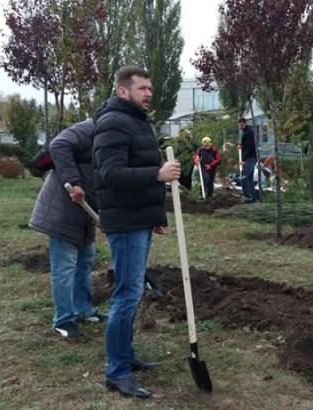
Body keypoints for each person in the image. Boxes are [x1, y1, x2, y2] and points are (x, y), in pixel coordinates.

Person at [93, 66, 181, 399]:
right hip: (125, 223)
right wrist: (158, 174)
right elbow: (111, 173)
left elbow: (135, 170)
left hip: (138, 219)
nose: (148, 94)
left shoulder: (135, 121)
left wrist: (154, 215)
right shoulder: (113, 122)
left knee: (132, 291)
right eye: (142, 88)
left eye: (149, 89)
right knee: (127, 294)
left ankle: (126, 357)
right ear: (122, 91)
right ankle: (116, 372)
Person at [29, 119, 107, 339]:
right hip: (63, 208)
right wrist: (75, 182)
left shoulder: (115, 139)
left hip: (85, 212)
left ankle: (84, 309)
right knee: (65, 267)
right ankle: (63, 320)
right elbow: (58, 145)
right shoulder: (91, 127)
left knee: (85, 262)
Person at [237, 117, 258, 202]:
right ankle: (252, 197)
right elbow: (245, 145)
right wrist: (241, 145)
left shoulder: (248, 132)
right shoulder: (246, 132)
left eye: (241, 124)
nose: (240, 126)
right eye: (239, 125)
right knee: (249, 178)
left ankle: (248, 197)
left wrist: (244, 160)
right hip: (250, 157)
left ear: (245, 123)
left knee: (244, 177)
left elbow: (249, 147)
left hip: (249, 158)